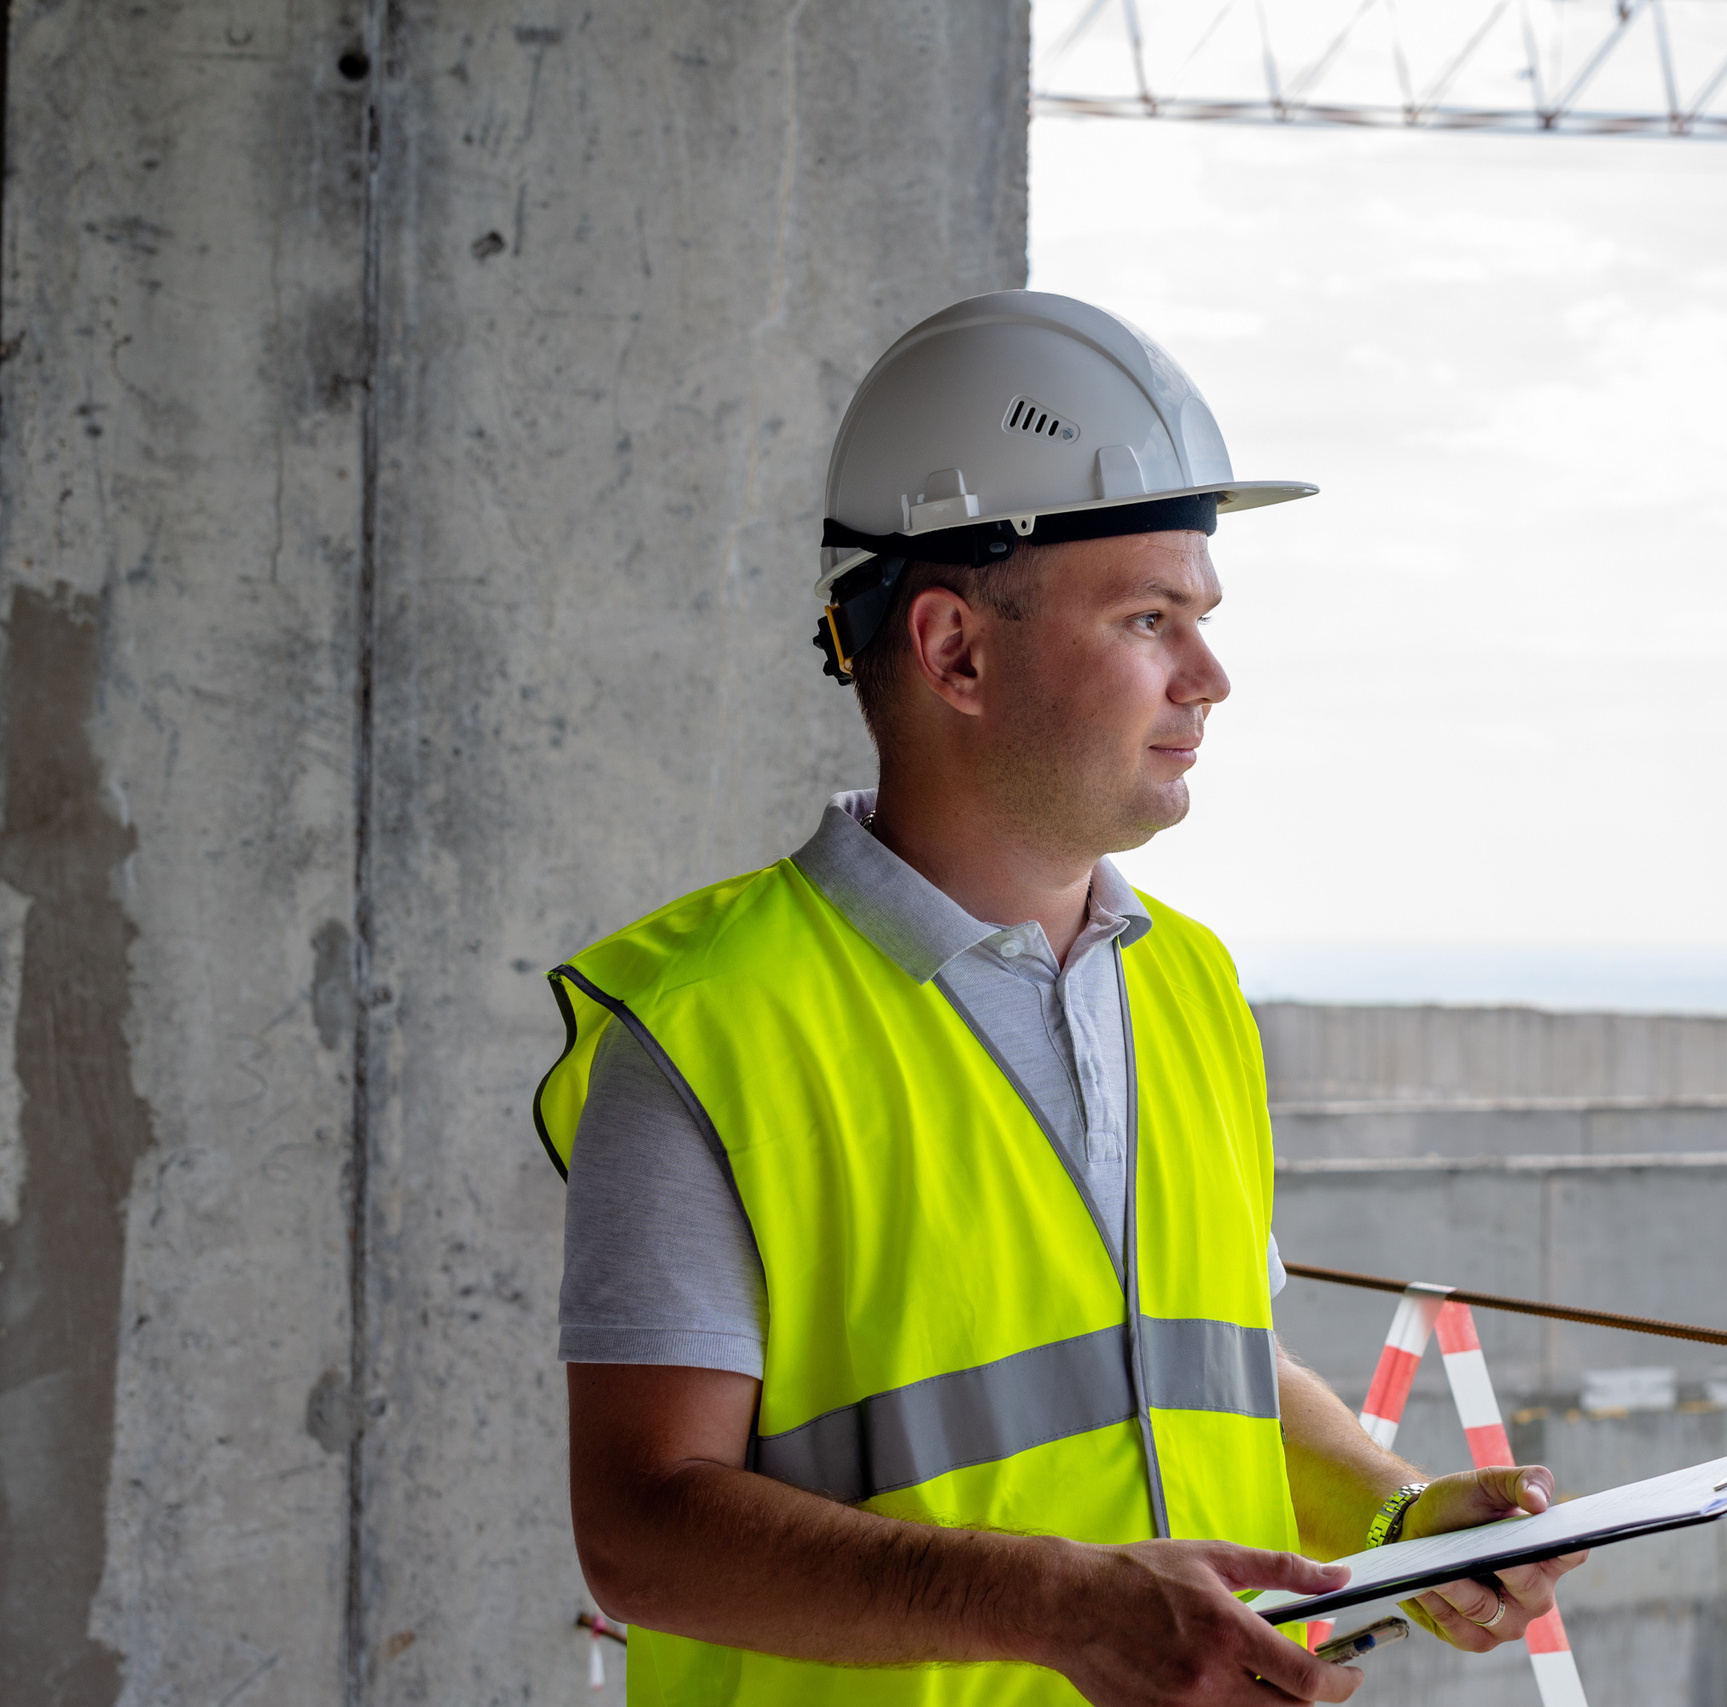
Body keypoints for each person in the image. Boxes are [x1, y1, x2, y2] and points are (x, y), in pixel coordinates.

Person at [535, 291, 1583, 1706]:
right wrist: (1052, 1604)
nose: (1210, 677)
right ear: (956, 650)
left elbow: (1204, 1369)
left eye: (1200, 619)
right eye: (1151, 619)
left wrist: (1396, 1519)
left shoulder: (1188, 982)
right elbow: (646, 1533)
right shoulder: (710, 1029)